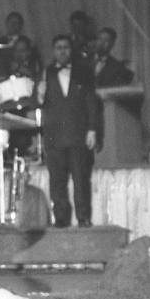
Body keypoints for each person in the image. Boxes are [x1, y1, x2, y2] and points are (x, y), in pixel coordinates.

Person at [39, 35, 101, 228]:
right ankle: (61, 220)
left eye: (65, 47)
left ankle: (84, 218)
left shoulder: (83, 72)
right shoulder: (46, 73)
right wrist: (39, 93)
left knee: (81, 180)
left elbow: (91, 102)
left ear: (71, 49)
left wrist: (92, 129)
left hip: (77, 134)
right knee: (57, 181)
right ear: (53, 51)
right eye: (58, 47)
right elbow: (38, 103)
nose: (62, 51)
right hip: (54, 135)